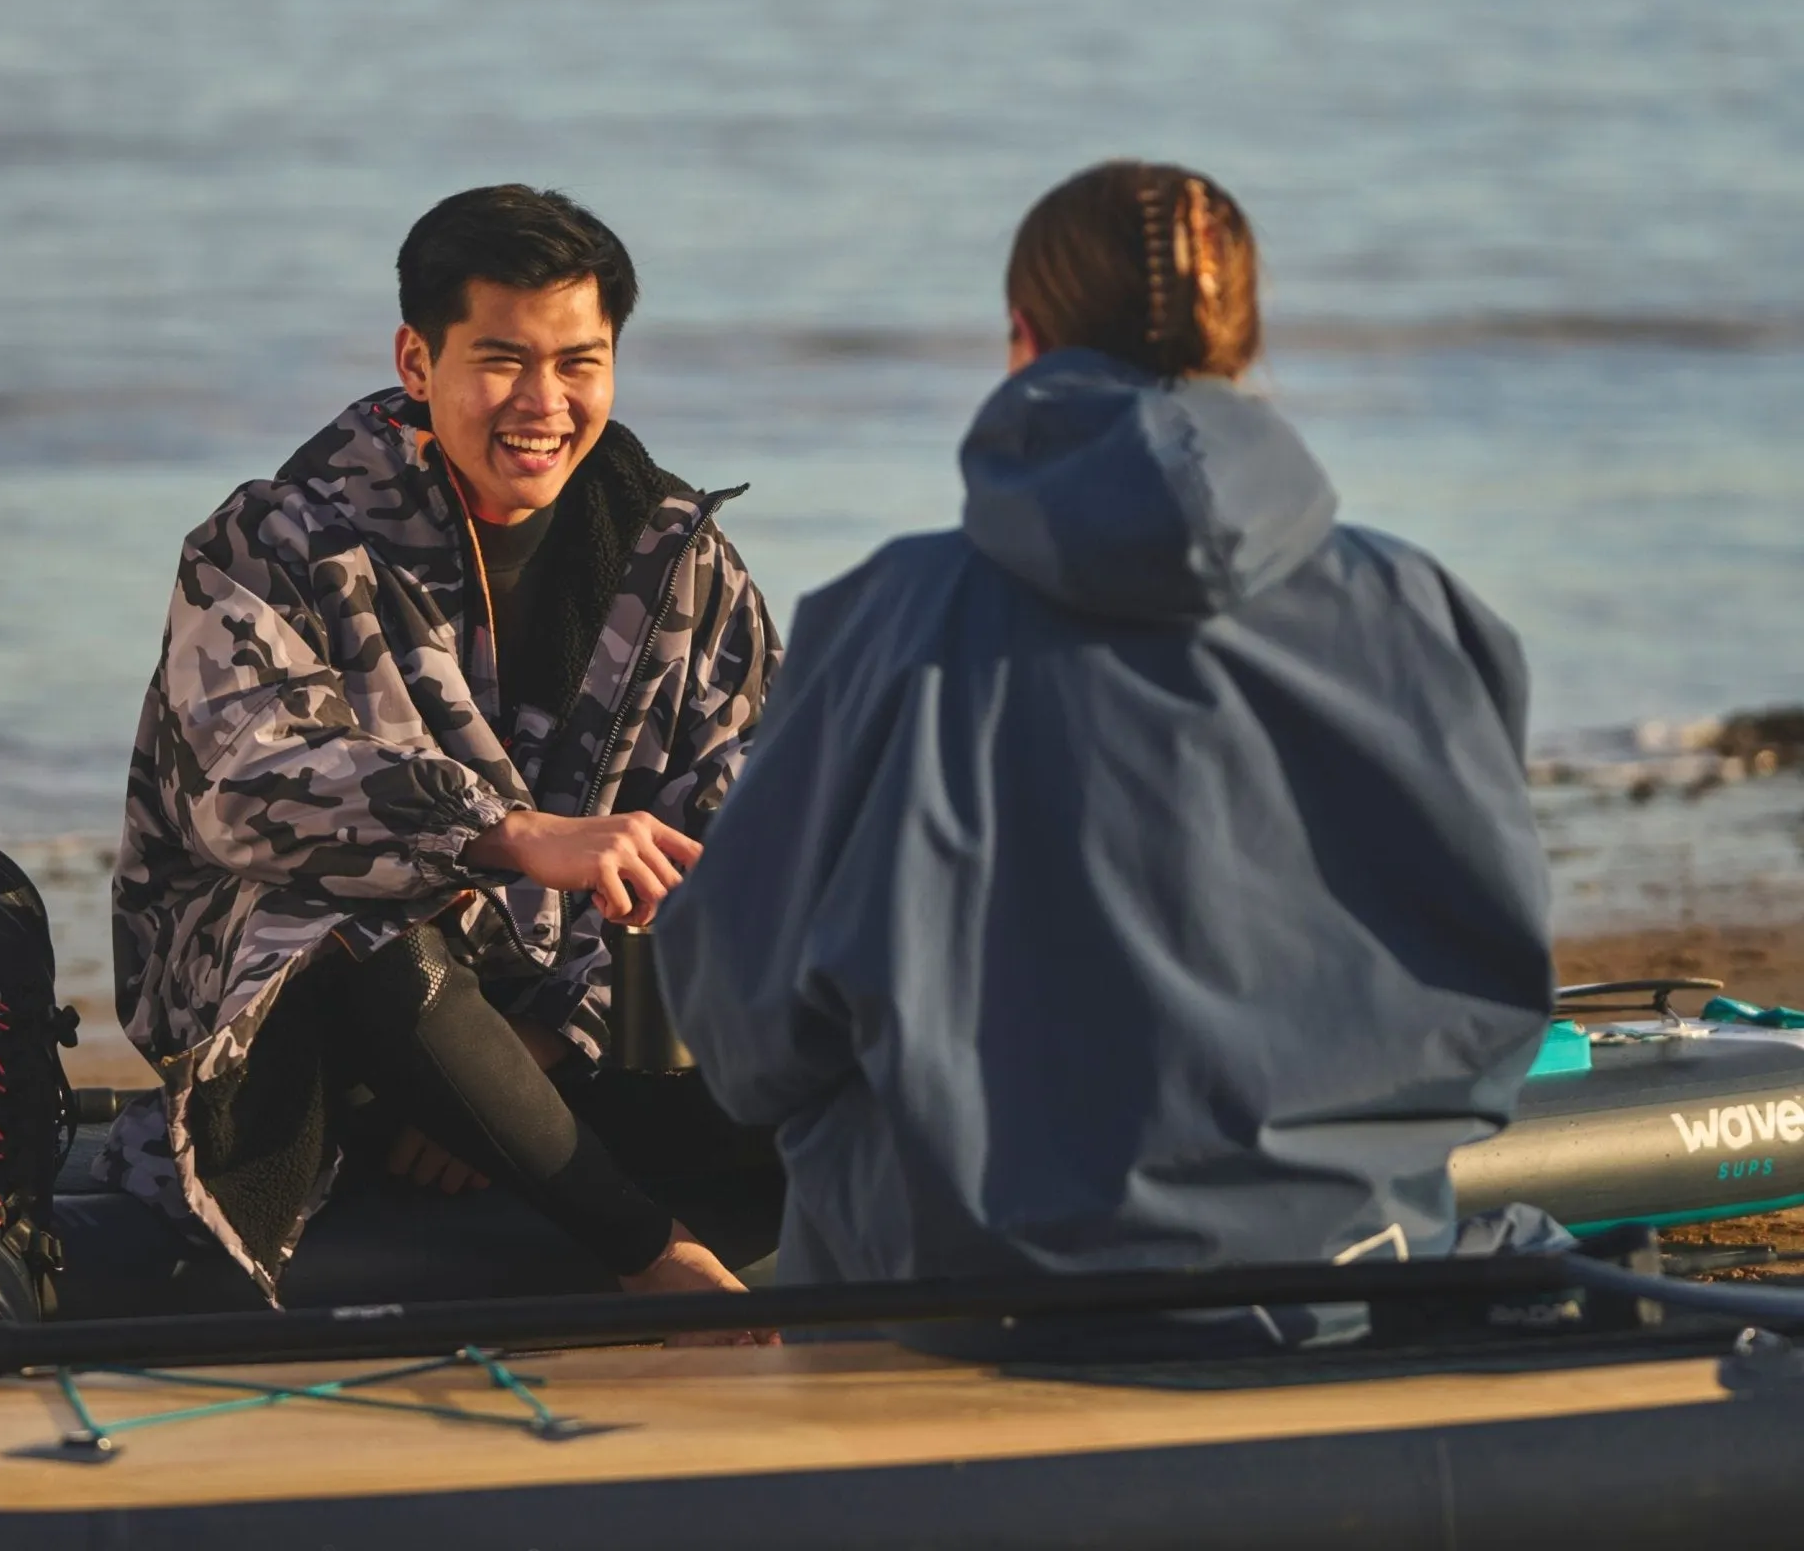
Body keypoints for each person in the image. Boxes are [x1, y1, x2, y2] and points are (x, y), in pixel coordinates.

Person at [655, 160, 1555, 1330]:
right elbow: (1493, 992)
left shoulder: (890, 617)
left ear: (1021, 337)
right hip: (1342, 1262)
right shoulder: (1419, 610)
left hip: (951, 1284)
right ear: (1240, 343)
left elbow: (742, 1029)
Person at [104, 184, 778, 1303]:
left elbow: (744, 826)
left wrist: (536, 1052)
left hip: (557, 1033)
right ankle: (650, 1256)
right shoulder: (272, 539)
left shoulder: (678, 558)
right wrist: (504, 834)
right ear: (416, 360)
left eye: (580, 362)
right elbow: (245, 784)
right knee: (341, 917)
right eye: (502, 359)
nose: (544, 402)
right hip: (313, 1029)